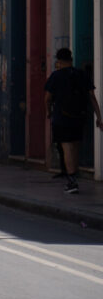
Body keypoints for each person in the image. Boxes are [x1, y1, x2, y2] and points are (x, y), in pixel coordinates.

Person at [44, 48, 103, 194]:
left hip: (62, 117)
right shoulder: (81, 74)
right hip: (80, 116)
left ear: (58, 61)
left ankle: (72, 181)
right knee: (75, 145)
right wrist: (99, 117)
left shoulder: (55, 76)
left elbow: (47, 98)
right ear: (71, 59)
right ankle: (74, 174)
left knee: (67, 147)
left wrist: (48, 111)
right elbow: (92, 97)